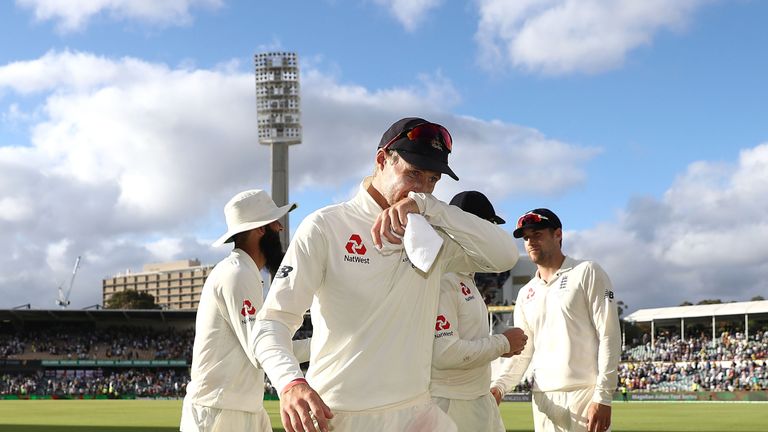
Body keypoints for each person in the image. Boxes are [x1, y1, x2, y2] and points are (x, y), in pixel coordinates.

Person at [253, 117, 520, 432]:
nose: (422, 188)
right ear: (382, 160)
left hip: (417, 412)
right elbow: (272, 322)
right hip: (339, 415)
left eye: (433, 180)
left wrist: (427, 206)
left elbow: (505, 255)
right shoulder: (326, 226)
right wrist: (290, 383)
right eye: (413, 174)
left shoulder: (433, 235)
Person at [180, 189, 310, 432]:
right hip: (220, 412)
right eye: (275, 223)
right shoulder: (236, 274)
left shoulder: (244, 273)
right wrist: (327, 342)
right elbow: (261, 350)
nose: (281, 229)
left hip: (241, 408)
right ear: (260, 229)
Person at [490, 209, 620, 432]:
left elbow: (609, 334)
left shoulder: (586, 272)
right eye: (526, 238)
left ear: (558, 234)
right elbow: (524, 350)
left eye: (537, 234)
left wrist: (603, 396)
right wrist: (499, 387)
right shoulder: (526, 293)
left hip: (584, 394)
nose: (530, 242)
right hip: (543, 398)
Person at [430, 190, 528, 432]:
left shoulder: (466, 278)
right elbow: (445, 354)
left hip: (474, 399)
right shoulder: (444, 278)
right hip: (451, 405)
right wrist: (503, 343)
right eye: (490, 227)